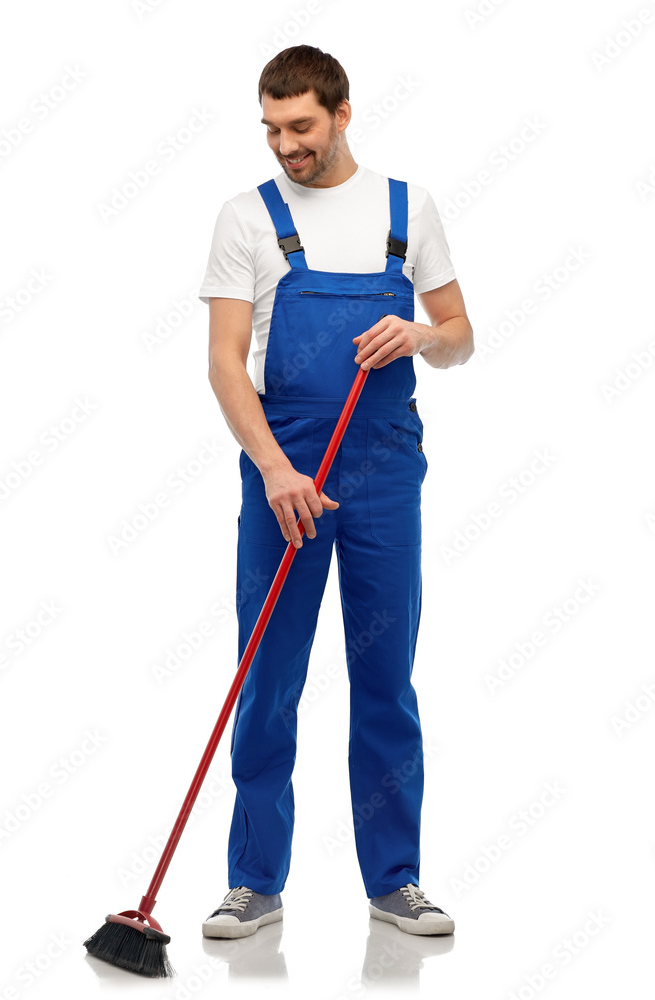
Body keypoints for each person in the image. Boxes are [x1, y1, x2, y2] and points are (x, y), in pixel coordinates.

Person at [197, 44, 473, 941]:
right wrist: (276, 470)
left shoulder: (409, 208)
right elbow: (224, 363)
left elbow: (462, 335)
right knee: (268, 676)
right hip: (287, 471)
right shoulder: (247, 217)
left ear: (343, 112)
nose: (286, 145)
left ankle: (396, 880)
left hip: (386, 469)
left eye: (302, 126)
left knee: (384, 678)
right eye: (273, 128)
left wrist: (421, 335)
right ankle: (253, 880)